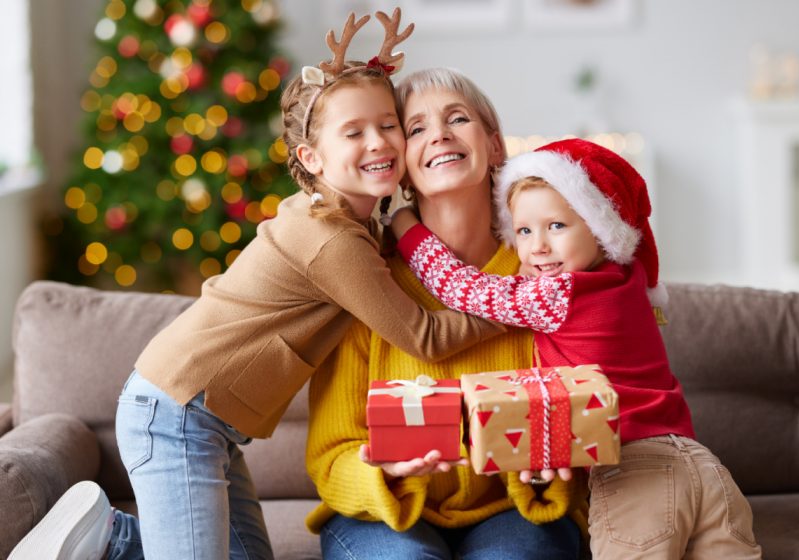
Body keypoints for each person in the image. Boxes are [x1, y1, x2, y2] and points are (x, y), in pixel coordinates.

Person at [9, 12, 504, 560]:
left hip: (206, 419)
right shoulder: (332, 241)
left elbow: (398, 239)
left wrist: (411, 223)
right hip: (176, 413)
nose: (379, 142)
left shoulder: (354, 222)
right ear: (312, 159)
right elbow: (426, 337)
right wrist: (513, 300)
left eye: (388, 124)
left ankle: (115, 540)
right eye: (354, 132)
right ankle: (107, 542)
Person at [391, 138, 763, 559]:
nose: (537, 246)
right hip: (705, 465)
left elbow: (461, 287)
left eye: (557, 226)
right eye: (524, 231)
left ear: (600, 229)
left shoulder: (559, 295)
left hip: (633, 469)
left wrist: (405, 225)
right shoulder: (628, 278)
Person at [305, 68, 587, 560]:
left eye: (457, 118)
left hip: (510, 509)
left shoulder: (547, 283)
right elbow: (331, 457)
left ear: (495, 146)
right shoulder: (368, 281)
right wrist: (383, 471)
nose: (439, 134)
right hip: (383, 517)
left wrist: (546, 466)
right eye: (415, 129)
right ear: (400, 166)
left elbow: (589, 412)